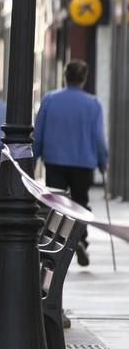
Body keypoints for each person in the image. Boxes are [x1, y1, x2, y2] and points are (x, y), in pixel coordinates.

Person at [33, 59, 108, 266]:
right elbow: (99, 138)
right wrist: (103, 161)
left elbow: (38, 133)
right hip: (83, 162)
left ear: (65, 77)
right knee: (80, 203)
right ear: (83, 79)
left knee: (55, 204)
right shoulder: (93, 104)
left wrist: (34, 156)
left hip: (55, 159)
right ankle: (79, 240)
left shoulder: (49, 99)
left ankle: (54, 243)